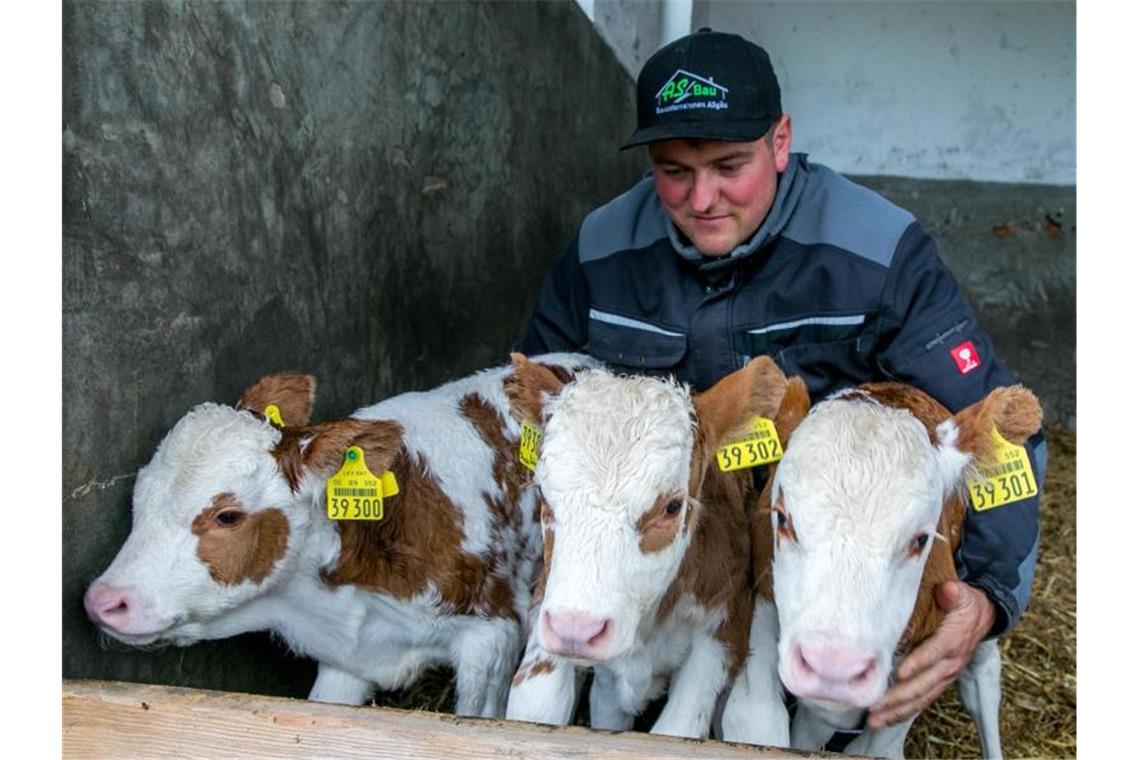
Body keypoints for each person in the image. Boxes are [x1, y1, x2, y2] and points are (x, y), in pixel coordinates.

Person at [514, 28, 1046, 739]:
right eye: (672, 170)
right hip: (662, 560)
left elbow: (1003, 434)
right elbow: (537, 412)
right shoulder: (601, 248)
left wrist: (986, 594)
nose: (701, 197)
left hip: (831, 570)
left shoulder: (879, 252)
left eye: (730, 165)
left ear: (781, 141)